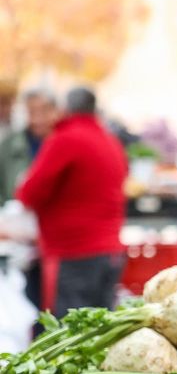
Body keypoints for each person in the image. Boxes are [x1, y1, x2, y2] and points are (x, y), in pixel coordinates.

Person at [15, 87, 127, 316]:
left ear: (65, 109)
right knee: (101, 330)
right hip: (110, 252)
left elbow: (29, 193)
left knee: (69, 335)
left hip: (73, 253)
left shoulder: (65, 140)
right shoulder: (110, 141)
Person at [0, 88, 60, 202]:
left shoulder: (67, 144)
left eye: (44, 111)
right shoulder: (8, 146)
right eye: (31, 112)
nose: (38, 119)